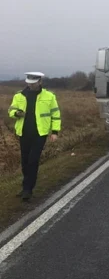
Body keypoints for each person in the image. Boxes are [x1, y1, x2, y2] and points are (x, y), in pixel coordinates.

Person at [7, 72, 61, 201]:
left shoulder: (49, 96)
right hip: (23, 133)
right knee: (25, 162)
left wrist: (55, 132)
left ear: (40, 82)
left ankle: (28, 190)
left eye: (33, 83)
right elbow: (11, 111)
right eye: (29, 83)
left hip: (40, 133)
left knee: (33, 160)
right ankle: (26, 186)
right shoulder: (18, 96)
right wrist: (16, 113)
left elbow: (55, 114)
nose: (31, 85)